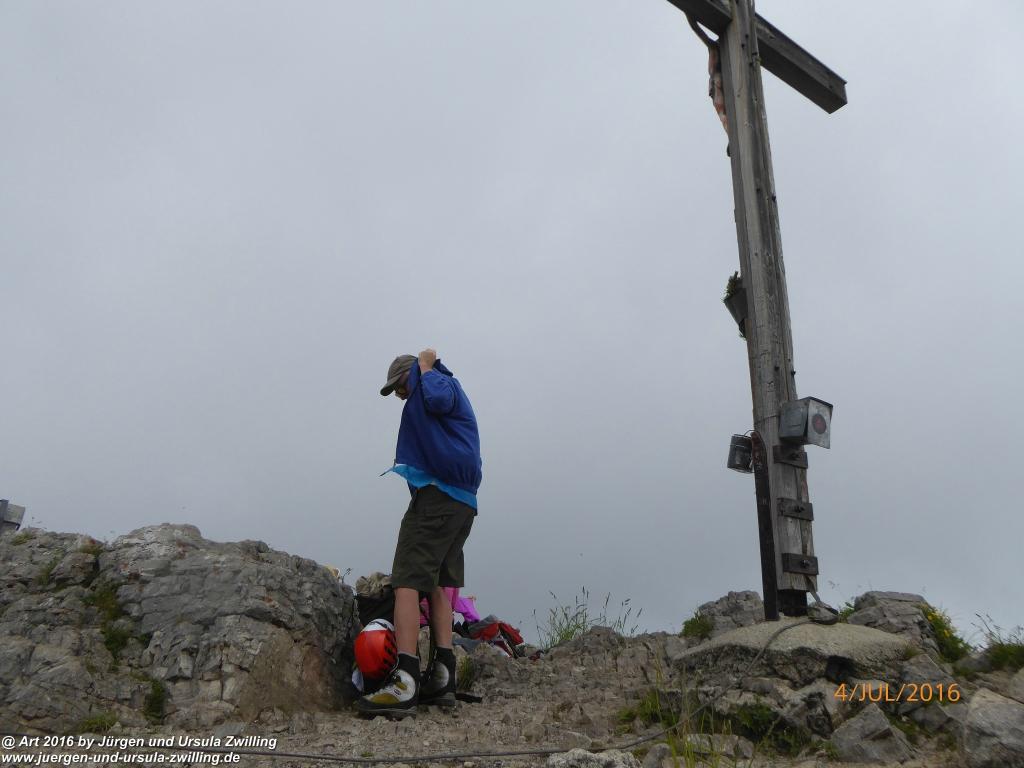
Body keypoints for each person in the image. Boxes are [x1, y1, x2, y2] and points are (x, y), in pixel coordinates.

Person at [355, 348, 482, 718]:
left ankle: (404, 681)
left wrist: (425, 366)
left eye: (398, 385)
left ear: (409, 373)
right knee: (440, 584)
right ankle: (442, 677)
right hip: (462, 501)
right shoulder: (438, 388)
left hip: (437, 497)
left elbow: (438, 397)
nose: (398, 394)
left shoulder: (435, 381)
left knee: (407, 581)